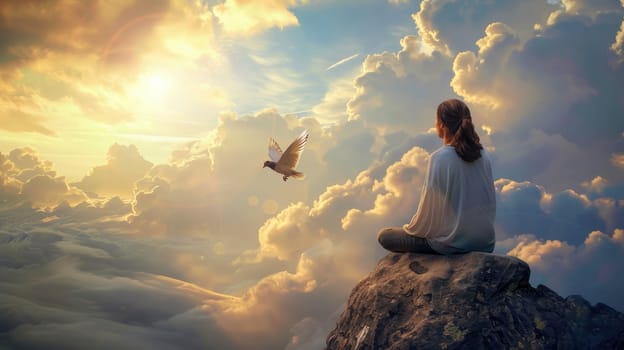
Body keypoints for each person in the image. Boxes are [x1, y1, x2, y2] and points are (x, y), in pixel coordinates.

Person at [378, 99, 496, 255]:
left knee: (385, 235)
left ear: (441, 124)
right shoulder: (483, 154)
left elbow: (427, 220)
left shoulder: (440, 158)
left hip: (454, 244)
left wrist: (412, 229)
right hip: (485, 243)